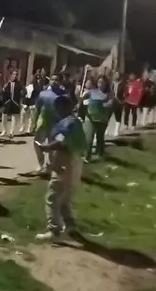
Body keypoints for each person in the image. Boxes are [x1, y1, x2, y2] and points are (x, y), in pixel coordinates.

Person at [35, 95, 87, 242]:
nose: (56, 111)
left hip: (65, 163)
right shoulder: (76, 122)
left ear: (63, 107)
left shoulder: (66, 124)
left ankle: (54, 230)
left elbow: (60, 143)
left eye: (57, 108)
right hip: (76, 162)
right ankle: (70, 226)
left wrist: (46, 147)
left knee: (52, 197)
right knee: (64, 198)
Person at [33, 73, 64, 174]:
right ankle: (40, 163)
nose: (54, 81)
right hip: (42, 122)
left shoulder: (63, 95)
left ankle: (50, 166)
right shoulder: (43, 93)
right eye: (52, 79)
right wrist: (34, 122)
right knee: (37, 143)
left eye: (56, 80)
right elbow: (37, 108)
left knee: (52, 147)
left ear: (60, 82)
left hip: (55, 124)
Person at [82, 76, 113, 161]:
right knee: (88, 138)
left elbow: (110, 103)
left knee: (100, 138)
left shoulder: (108, 94)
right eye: (99, 82)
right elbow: (81, 98)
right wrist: (81, 99)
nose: (100, 84)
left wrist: (106, 105)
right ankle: (87, 157)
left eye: (102, 82)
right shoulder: (92, 92)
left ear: (106, 84)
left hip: (101, 120)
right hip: (90, 118)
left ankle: (100, 154)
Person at [0, 69, 25, 138]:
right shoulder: (7, 83)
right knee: (4, 115)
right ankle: (4, 130)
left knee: (14, 117)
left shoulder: (19, 84)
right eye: (14, 74)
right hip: (7, 102)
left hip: (15, 102)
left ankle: (11, 132)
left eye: (16, 74)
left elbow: (24, 91)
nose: (15, 76)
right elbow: (3, 92)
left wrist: (21, 96)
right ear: (10, 75)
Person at [110, 72, 125, 137]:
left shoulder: (122, 84)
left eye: (117, 75)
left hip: (119, 102)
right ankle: (106, 129)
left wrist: (123, 100)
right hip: (112, 101)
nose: (116, 76)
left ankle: (116, 131)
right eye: (115, 74)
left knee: (118, 116)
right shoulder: (111, 83)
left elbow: (126, 93)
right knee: (108, 116)